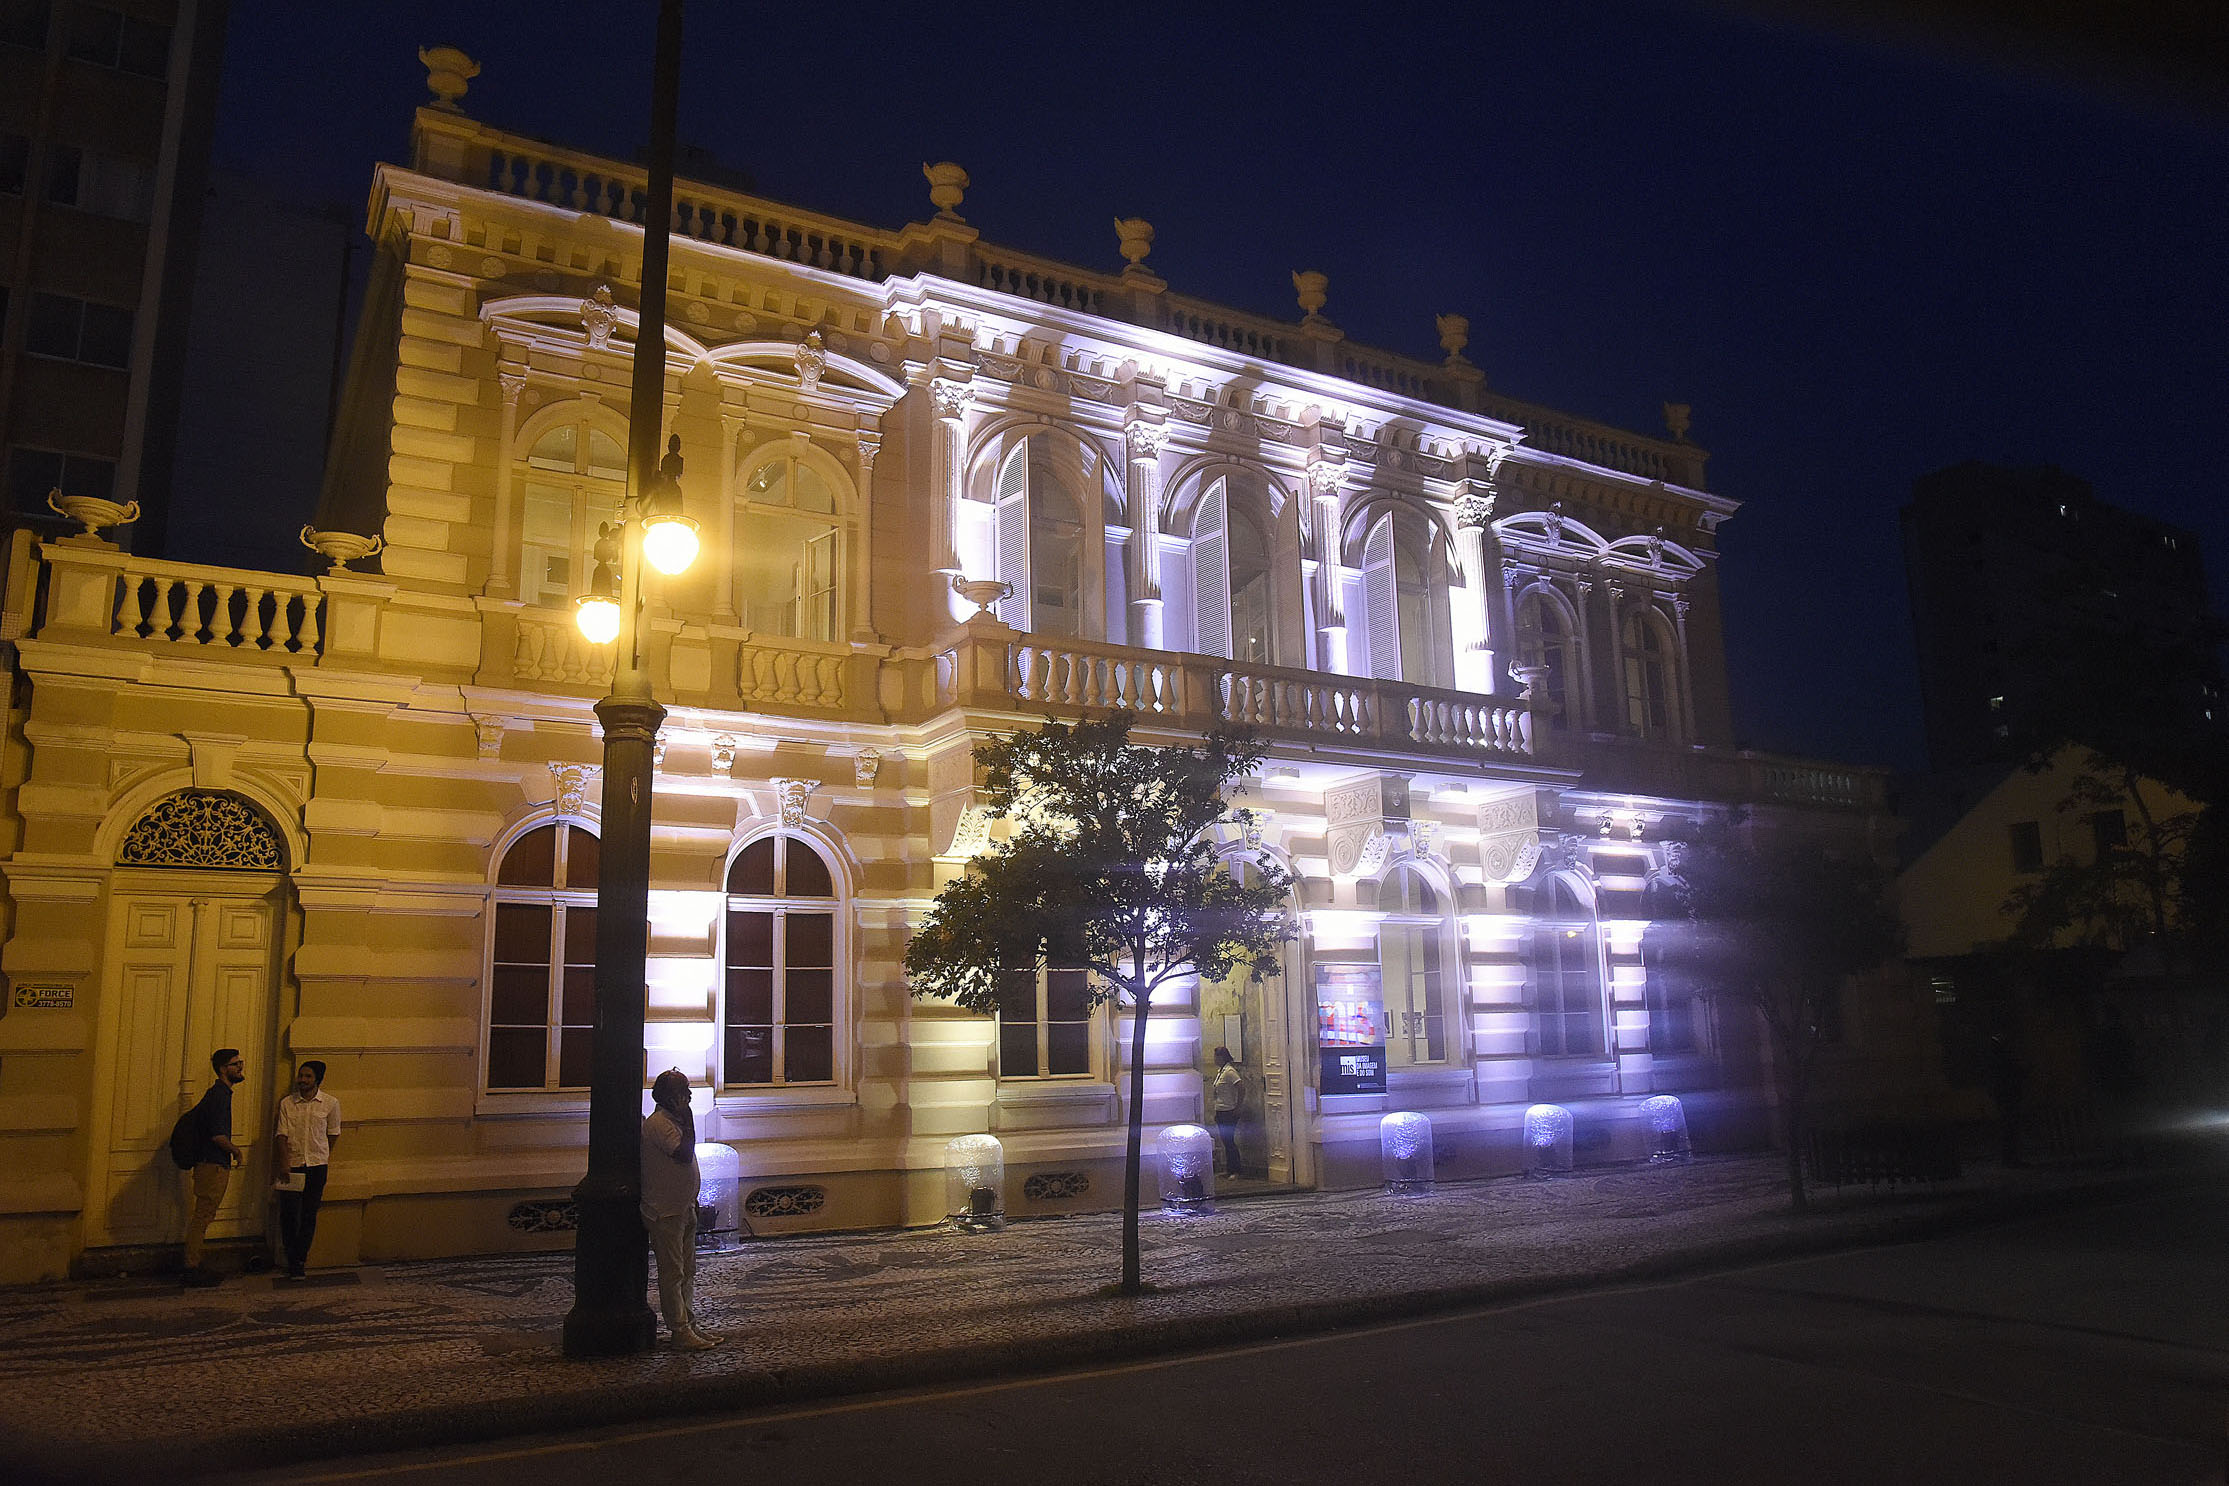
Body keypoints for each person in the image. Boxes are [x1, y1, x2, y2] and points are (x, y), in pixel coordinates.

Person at [642, 1069, 718, 1350]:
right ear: (668, 1097)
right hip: (665, 1211)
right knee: (673, 1273)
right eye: (682, 1092)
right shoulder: (659, 1124)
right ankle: (679, 1329)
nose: (687, 1097)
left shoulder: (673, 1122)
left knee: (687, 1271)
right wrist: (689, 1122)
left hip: (682, 1207)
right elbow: (683, 1154)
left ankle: (690, 1323)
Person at [181, 1048, 244, 1287]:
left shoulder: (221, 1094)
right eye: (235, 1064)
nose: (240, 1068)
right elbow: (218, 1135)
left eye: (240, 1063)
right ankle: (191, 1266)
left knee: (204, 1214)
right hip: (212, 1164)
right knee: (203, 1215)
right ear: (222, 1069)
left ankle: (194, 1262)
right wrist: (236, 1151)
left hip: (211, 1163)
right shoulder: (219, 1095)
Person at [272, 1060, 341, 1279]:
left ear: (317, 1079)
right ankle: (291, 1257)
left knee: (309, 1214)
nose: (302, 1080)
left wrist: (321, 1154)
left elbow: (333, 1134)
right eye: (301, 1075)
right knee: (289, 1214)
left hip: (317, 1166)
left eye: (308, 1076)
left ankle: (300, 1259)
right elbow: (281, 1135)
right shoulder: (287, 1103)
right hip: (292, 1165)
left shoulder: (330, 1103)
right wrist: (284, 1162)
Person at [1210, 1046, 1245, 1180]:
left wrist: (1238, 1106)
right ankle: (1230, 1168)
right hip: (1221, 1110)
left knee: (1229, 1141)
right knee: (1226, 1141)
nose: (1214, 1059)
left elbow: (1241, 1087)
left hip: (1229, 1111)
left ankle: (1236, 1170)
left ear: (1222, 1057)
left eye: (1216, 1057)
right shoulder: (1221, 1071)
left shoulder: (1230, 1072)